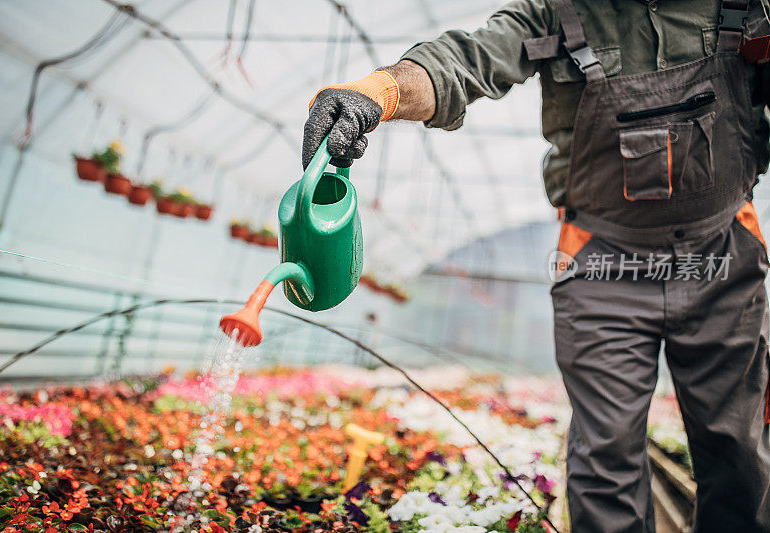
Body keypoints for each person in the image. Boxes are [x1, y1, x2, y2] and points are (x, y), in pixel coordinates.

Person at [302, 1, 770, 532]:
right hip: (603, 262)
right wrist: (378, 93)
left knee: (737, 444)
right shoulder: (559, 12)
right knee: (606, 454)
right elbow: (467, 58)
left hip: (721, 254)